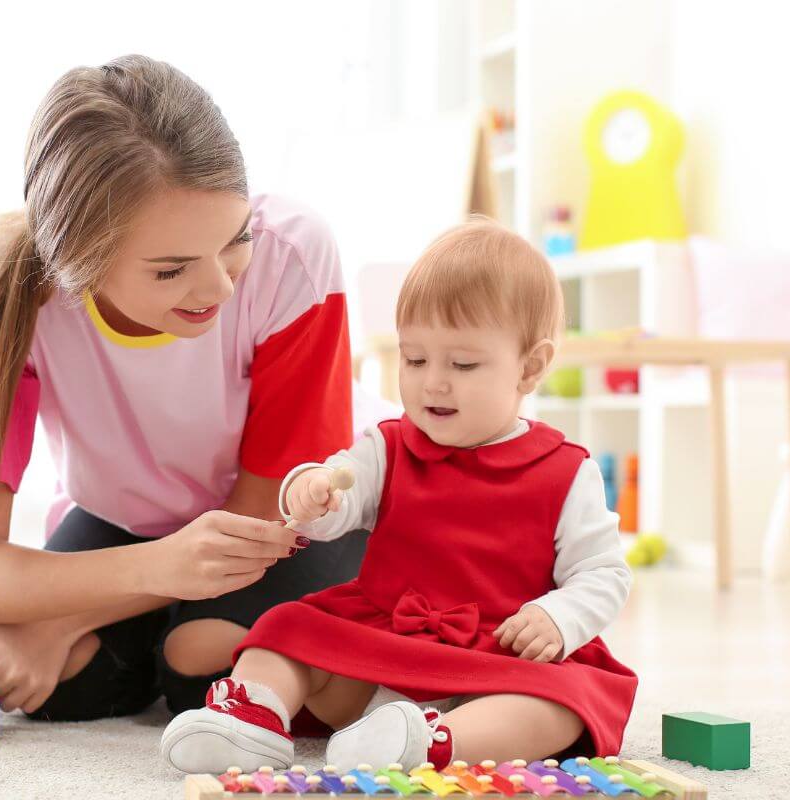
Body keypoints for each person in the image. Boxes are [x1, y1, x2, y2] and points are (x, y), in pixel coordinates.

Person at [0, 54, 369, 724]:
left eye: (234, 239)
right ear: (76, 264)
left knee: (211, 678)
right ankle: (161, 624)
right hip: (130, 525)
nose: (220, 287)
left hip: (284, 520)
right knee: (52, 691)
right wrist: (157, 572)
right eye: (171, 271)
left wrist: (58, 619)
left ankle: (170, 632)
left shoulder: (295, 255)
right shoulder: (18, 308)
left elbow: (263, 519)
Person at [160, 218, 637, 774]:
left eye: (462, 364)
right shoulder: (388, 445)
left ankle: (432, 743)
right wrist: (311, 492)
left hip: (493, 659)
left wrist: (557, 618)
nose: (433, 382)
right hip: (380, 644)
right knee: (284, 629)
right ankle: (251, 720)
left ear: (529, 367)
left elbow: (604, 573)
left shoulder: (565, 470)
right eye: (415, 359)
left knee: (565, 704)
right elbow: (338, 486)